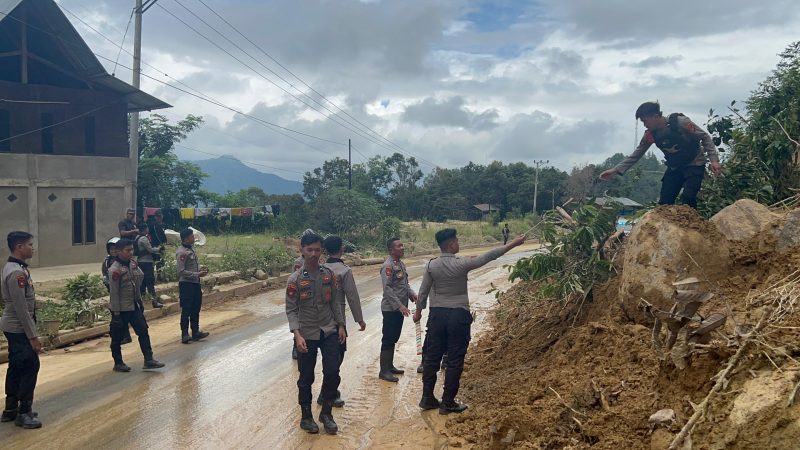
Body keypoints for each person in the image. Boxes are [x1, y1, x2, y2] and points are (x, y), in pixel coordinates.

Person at [414, 228, 525, 414]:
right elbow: (489, 256)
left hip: (437, 315)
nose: (459, 243)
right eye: (456, 241)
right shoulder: (462, 263)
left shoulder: (431, 265)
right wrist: (513, 244)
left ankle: (427, 398)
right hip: (458, 315)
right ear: (450, 244)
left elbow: (423, 292)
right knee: (455, 359)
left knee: (432, 358)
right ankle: (448, 402)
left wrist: (418, 312)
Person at [599, 101, 722, 209]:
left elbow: (704, 137)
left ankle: (694, 228)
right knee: (664, 203)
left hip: (695, 163)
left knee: (688, 198)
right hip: (675, 167)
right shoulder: (650, 135)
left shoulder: (680, 122)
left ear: (655, 116)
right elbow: (637, 154)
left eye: (645, 120)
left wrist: (714, 160)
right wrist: (615, 170)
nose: (644, 124)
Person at [285, 232, 346, 435]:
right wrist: (297, 335)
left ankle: (326, 413)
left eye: (317, 250)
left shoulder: (329, 275)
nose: (313, 254)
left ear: (322, 251)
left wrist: (341, 325)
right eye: (309, 250)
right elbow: (291, 309)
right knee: (306, 377)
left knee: (332, 372)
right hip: (306, 333)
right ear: (301, 250)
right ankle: (306, 416)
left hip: (328, 330)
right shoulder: (295, 279)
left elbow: (335, 302)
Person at [1, 231, 42, 429]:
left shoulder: (15, 267)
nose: (32, 248)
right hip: (18, 328)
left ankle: (10, 409)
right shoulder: (17, 272)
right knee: (29, 366)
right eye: (29, 245)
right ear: (19, 247)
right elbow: (21, 308)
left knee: (16, 365)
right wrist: (33, 336)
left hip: (14, 327)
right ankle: (23, 412)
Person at [107, 239, 166, 373]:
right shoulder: (114, 270)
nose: (131, 252)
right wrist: (115, 313)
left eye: (132, 249)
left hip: (134, 305)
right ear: (119, 252)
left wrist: (139, 301)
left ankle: (149, 359)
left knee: (143, 331)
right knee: (117, 336)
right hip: (121, 309)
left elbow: (139, 278)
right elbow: (114, 293)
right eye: (127, 250)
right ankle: (118, 362)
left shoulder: (133, 264)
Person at [322, 235, 366, 408]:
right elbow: (352, 297)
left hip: (321, 318)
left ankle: (327, 391)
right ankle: (328, 393)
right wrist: (359, 319)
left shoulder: (320, 268)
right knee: (337, 356)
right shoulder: (344, 271)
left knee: (329, 356)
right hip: (337, 318)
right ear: (341, 249)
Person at [378, 237, 417, 383]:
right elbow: (387, 289)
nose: (403, 247)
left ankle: (390, 366)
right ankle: (384, 371)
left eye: (402, 245)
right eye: (399, 246)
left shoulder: (400, 264)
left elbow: (404, 284)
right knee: (388, 338)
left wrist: (412, 294)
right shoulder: (387, 266)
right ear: (391, 250)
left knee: (394, 337)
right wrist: (400, 306)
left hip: (399, 309)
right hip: (391, 309)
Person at [176, 228, 210, 344]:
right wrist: (197, 274)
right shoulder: (182, 252)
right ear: (185, 239)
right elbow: (181, 271)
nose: (194, 238)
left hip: (195, 283)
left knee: (196, 308)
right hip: (186, 284)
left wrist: (200, 271)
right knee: (186, 309)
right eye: (191, 237)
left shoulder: (191, 250)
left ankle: (195, 332)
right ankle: (184, 334)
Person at [102, 238, 132, 345]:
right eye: (111, 249)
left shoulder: (125, 262)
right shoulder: (107, 261)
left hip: (123, 294)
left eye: (115, 249)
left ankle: (125, 335)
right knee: (115, 314)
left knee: (122, 315)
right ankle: (122, 335)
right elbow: (105, 274)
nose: (113, 251)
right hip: (113, 291)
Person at [135, 223, 164, 309]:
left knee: (142, 283)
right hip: (147, 262)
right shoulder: (144, 238)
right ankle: (154, 301)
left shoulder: (137, 238)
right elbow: (150, 250)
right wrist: (159, 249)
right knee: (150, 282)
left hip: (140, 262)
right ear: (145, 229)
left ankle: (140, 303)